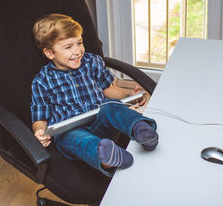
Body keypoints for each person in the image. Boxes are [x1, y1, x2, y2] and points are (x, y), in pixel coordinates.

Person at [30, 13, 158, 176]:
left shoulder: (92, 62)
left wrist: (129, 95)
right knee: (76, 139)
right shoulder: (42, 81)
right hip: (71, 131)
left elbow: (108, 90)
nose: (78, 51)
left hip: (101, 120)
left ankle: (142, 130)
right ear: (50, 53)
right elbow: (39, 116)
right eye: (68, 47)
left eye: (79, 43)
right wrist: (40, 133)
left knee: (111, 107)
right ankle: (107, 158)